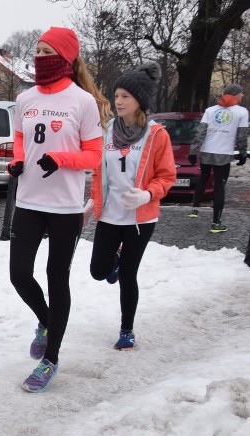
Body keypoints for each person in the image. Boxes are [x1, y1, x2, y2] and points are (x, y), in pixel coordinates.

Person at [6, 27, 110, 393]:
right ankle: (45, 320)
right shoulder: (25, 99)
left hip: (65, 206)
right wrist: (17, 161)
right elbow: (20, 137)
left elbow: (95, 155)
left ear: (65, 57)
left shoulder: (82, 102)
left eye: (47, 50)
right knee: (19, 274)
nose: (39, 56)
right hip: (29, 201)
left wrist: (61, 159)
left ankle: (50, 359)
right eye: (37, 50)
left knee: (56, 276)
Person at [87, 63, 176, 350]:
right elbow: (100, 171)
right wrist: (93, 200)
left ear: (140, 101)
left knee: (128, 275)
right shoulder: (107, 131)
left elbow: (167, 176)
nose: (119, 101)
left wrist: (148, 195)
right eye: (117, 95)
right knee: (99, 271)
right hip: (110, 215)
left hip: (141, 219)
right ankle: (113, 264)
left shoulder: (157, 135)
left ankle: (127, 330)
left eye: (125, 96)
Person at [188, 83, 249, 233]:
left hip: (207, 151)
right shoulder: (241, 112)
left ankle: (195, 209)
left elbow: (201, 132)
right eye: (241, 93)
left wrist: (193, 151)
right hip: (224, 153)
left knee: (203, 178)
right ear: (235, 94)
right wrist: (242, 152)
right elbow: (242, 135)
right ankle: (216, 224)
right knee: (220, 187)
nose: (243, 96)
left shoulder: (210, 110)